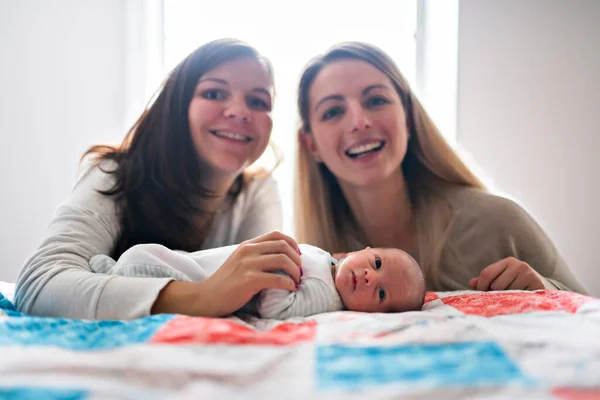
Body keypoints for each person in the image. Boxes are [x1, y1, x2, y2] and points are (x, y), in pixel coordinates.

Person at [15, 39, 304, 320]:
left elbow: (267, 295)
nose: (239, 112)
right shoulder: (114, 174)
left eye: (257, 101)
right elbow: (40, 283)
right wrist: (204, 296)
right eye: (214, 93)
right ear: (177, 105)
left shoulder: (258, 189)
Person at [294, 42, 588, 294]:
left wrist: (548, 292)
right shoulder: (308, 262)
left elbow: (590, 320)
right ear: (311, 145)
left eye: (376, 100)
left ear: (408, 118)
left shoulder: (500, 223)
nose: (359, 122)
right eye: (333, 111)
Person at [87, 242, 426, 319]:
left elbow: (275, 307)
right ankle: (113, 269)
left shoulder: (326, 297)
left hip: (196, 281)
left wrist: (277, 275)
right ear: (360, 249)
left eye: (381, 292)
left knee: (142, 267)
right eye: (376, 262)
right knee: (148, 253)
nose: (369, 276)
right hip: (199, 262)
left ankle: (113, 274)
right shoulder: (326, 259)